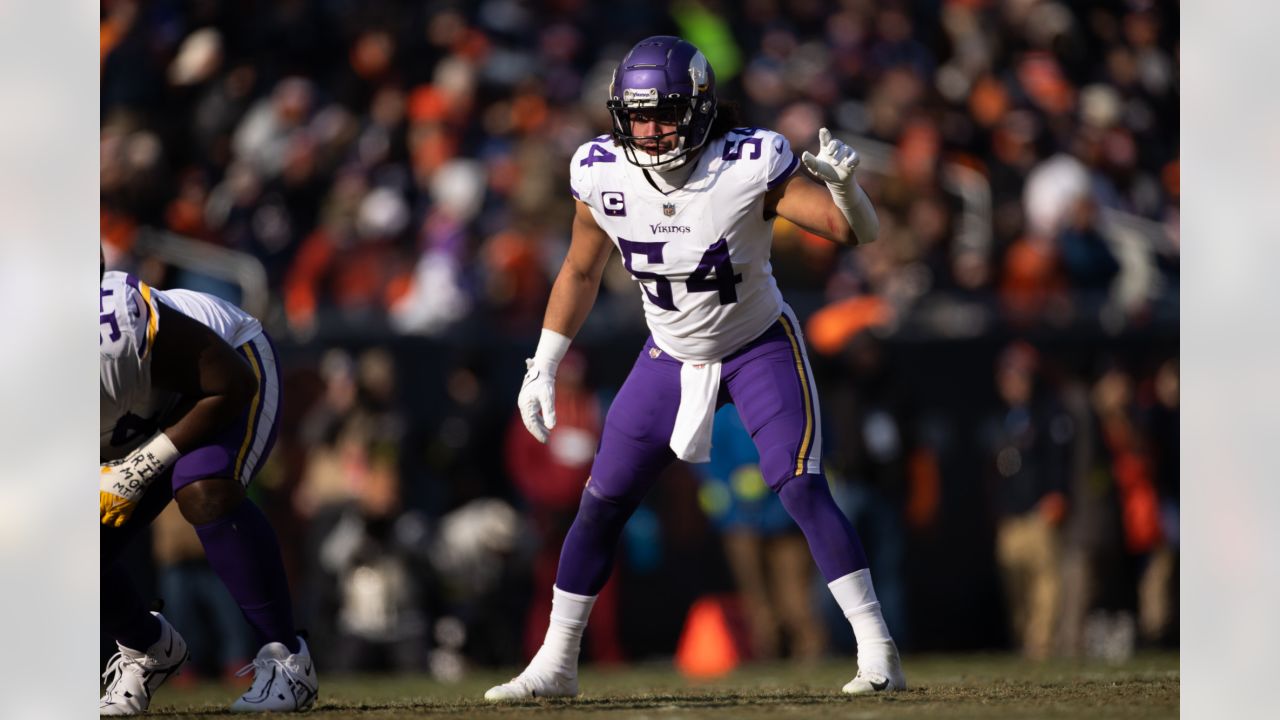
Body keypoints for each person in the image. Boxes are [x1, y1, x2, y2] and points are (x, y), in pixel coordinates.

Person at [486, 36, 904, 701]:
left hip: (757, 343)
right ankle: (556, 664)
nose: (651, 130)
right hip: (669, 354)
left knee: (798, 485)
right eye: (639, 114)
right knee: (600, 503)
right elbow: (580, 268)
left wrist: (850, 192)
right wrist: (544, 363)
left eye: (666, 113)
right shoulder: (601, 172)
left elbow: (855, 234)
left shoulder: (746, 162)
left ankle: (878, 650)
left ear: (701, 109)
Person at [99, 260, 319, 714]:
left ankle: (287, 660)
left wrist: (139, 467)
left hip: (227, 365)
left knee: (203, 487)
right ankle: (148, 648)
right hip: (135, 413)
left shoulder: (113, 325)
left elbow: (232, 383)